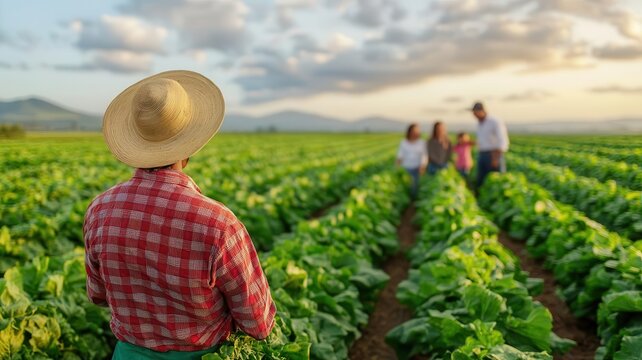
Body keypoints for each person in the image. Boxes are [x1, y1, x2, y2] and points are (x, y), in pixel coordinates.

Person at [84, 70, 276, 360]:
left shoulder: (99, 210)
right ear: (188, 148)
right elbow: (258, 324)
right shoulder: (219, 224)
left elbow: (98, 295)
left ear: (135, 144)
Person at [471, 102, 509, 187]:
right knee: (481, 180)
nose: (474, 115)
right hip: (482, 154)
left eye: (475, 113)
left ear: (482, 111)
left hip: (493, 154)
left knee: (496, 180)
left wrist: (495, 158)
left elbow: (502, 140)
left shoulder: (494, 121)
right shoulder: (479, 123)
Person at [396, 123, 428, 199]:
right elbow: (400, 155)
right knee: (406, 186)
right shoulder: (404, 142)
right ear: (409, 132)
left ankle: (413, 202)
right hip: (406, 168)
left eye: (417, 131)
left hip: (417, 168)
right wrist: (397, 166)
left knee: (415, 186)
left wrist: (423, 166)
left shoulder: (422, 143)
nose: (415, 133)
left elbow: (424, 156)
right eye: (414, 131)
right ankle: (408, 201)